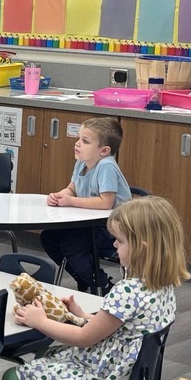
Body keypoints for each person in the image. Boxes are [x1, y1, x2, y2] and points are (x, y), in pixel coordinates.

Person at [1, 195, 189, 380]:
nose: (114, 246)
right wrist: (80, 314)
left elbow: (83, 338)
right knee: (44, 356)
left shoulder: (127, 291)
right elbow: (122, 329)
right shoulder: (161, 288)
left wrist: (40, 321)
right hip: (125, 378)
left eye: (119, 241)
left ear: (141, 247)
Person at [40, 116, 132, 292]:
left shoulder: (106, 167)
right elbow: (72, 188)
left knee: (72, 245)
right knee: (48, 237)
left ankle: (101, 284)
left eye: (85, 141)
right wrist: (60, 196)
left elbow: (106, 203)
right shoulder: (81, 162)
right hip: (89, 224)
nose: (77, 144)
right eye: (78, 139)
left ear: (104, 151)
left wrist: (71, 201)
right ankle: (85, 279)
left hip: (113, 230)